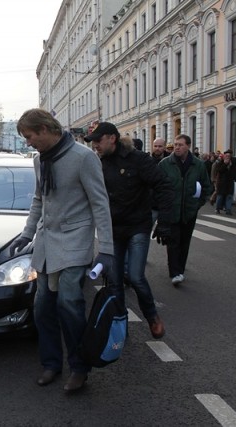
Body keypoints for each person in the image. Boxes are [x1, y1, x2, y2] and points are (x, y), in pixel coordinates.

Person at [11, 109, 114, 393]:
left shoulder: (84, 157)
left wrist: (106, 250)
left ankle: (80, 367)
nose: (28, 143)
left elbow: (100, 204)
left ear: (45, 129)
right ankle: (51, 363)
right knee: (42, 308)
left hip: (74, 242)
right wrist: (27, 233)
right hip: (46, 244)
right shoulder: (39, 160)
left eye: (30, 137)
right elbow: (38, 199)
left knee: (69, 305)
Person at [88, 122, 173, 339]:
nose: (95, 145)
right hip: (113, 229)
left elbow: (163, 185)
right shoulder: (98, 164)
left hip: (137, 226)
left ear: (111, 138)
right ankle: (120, 325)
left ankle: (152, 317)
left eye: (98, 141)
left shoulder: (139, 159)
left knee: (135, 276)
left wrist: (164, 220)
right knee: (114, 281)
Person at [158, 134, 212, 286]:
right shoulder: (165, 164)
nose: (177, 147)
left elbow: (207, 187)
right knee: (173, 242)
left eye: (180, 145)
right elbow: (157, 186)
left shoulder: (198, 165)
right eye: (175, 144)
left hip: (189, 211)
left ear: (188, 146)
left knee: (184, 242)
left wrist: (197, 204)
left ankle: (180, 270)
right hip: (171, 211)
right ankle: (174, 272)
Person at [213, 150, 236, 215]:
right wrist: (225, 164)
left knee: (229, 196)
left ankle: (228, 210)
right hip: (222, 183)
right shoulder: (220, 163)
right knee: (220, 197)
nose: (227, 157)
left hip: (230, 183)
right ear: (224, 156)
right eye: (226, 156)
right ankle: (217, 208)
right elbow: (219, 170)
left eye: (229, 156)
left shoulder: (233, 163)